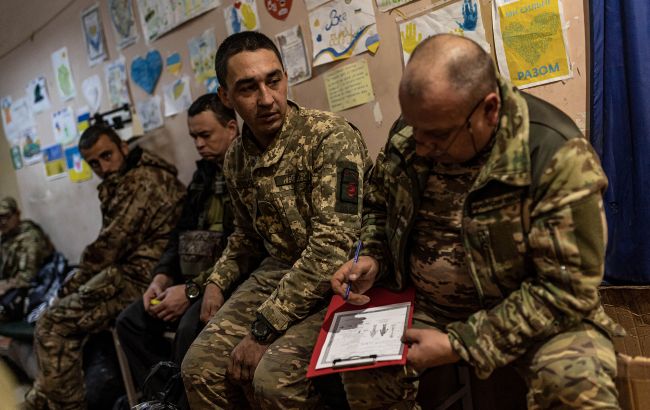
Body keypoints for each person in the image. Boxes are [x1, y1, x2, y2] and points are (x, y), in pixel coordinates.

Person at [331, 34, 623, 409]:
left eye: (438, 136)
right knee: (360, 366)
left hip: (530, 309)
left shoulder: (555, 155)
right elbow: (377, 204)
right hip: (428, 306)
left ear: (489, 109)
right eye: (414, 129)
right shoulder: (415, 131)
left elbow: (566, 292)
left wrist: (462, 343)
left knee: (574, 384)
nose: (421, 146)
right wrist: (373, 257)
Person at [181, 31, 371, 409]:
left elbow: (332, 246)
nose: (267, 99)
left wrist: (262, 330)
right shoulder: (236, 158)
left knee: (272, 382)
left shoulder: (328, 137)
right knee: (197, 368)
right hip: (278, 272)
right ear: (226, 97)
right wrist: (216, 282)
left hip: (338, 276)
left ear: (286, 77)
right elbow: (246, 236)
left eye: (274, 80)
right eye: (248, 88)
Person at [25, 124, 186, 409]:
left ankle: (57, 403)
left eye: (107, 155)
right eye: (94, 163)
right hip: (131, 273)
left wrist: (67, 288)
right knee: (53, 319)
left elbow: (107, 248)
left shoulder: (142, 181)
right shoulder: (127, 179)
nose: (103, 167)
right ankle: (43, 397)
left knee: (53, 324)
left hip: (146, 279)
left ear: (123, 147)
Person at [115, 94, 238, 394]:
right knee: (130, 322)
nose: (198, 144)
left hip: (226, 281)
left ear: (231, 128)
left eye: (205, 135)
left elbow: (244, 250)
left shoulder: (248, 172)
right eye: (194, 137)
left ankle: (186, 399)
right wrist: (161, 277)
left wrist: (191, 291)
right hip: (190, 280)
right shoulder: (202, 177)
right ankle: (166, 397)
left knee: (189, 328)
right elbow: (180, 234)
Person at [0, 196, 54, 321]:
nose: (2, 222)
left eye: (6, 217)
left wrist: (5, 285)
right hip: (12, 289)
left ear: (17, 214)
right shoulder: (6, 238)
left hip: (29, 293)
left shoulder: (30, 237)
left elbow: (29, 276)